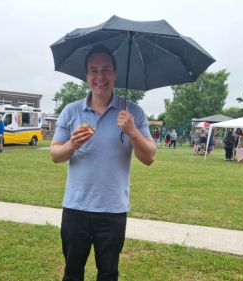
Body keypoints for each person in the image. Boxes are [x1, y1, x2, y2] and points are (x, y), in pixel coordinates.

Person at [50, 44, 156, 280]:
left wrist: (132, 131)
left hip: (113, 209)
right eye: (94, 70)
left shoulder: (133, 112)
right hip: (76, 207)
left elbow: (149, 157)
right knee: (73, 272)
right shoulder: (71, 111)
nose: (100, 76)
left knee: (108, 273)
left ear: (115, 74)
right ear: (86, 76)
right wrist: (72, 145)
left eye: (106, 69)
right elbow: (55, 155)